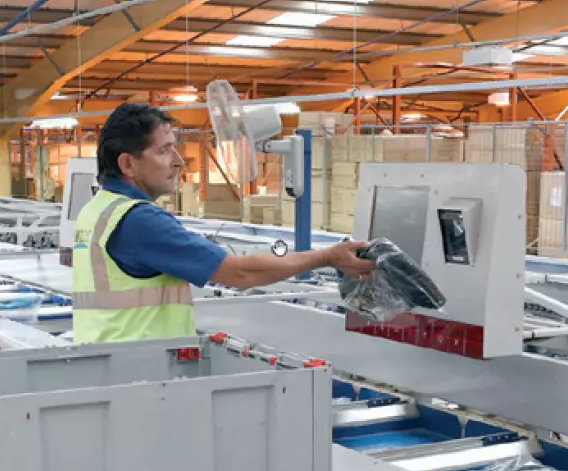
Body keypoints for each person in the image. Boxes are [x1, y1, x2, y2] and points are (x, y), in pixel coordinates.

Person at [72, 103, 373, 344]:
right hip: (141, 377)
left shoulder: (97, 209)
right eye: (164, 150)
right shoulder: (139, 220)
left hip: (109, 364)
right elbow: (239, 273)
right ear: (127, 164)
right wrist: (328, 256)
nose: (178, 161)